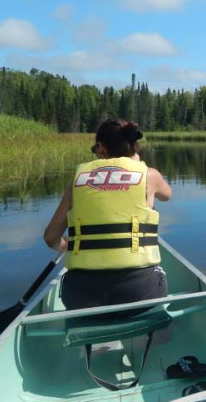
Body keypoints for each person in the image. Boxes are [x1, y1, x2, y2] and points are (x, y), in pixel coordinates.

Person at [43, 119, 172, 312]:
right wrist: (135, 162)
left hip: (82, 296)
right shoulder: (150, 175)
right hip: (139, 293)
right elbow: (167, 195)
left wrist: (66, 246)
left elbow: (50, 237)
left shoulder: (79, 179)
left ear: (101, 148)